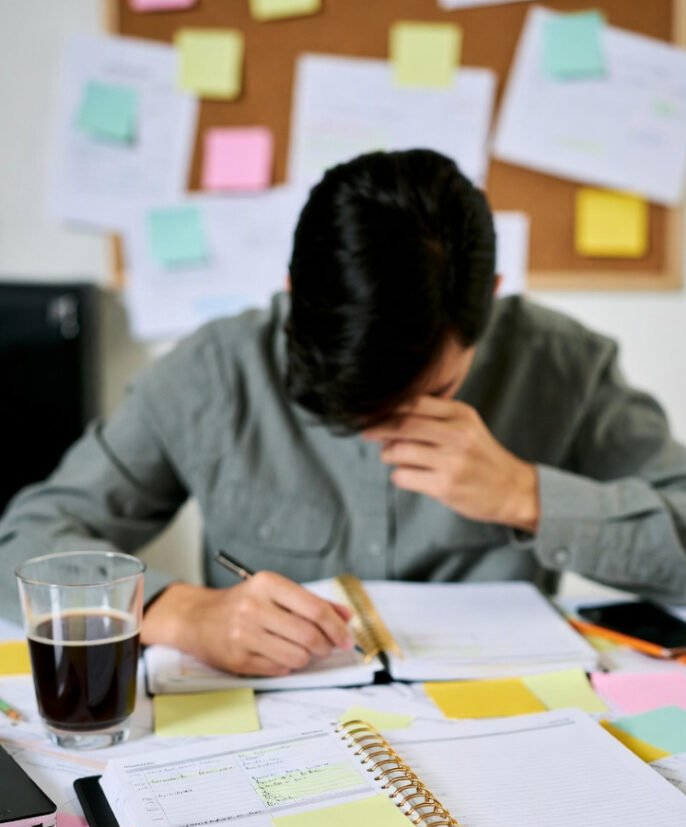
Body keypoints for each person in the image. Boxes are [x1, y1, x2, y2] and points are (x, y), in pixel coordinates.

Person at [2, 148, 686, 676]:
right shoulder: (214, 371)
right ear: (293, 292)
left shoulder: (563, 365)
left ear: (492, 299)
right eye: (344, 400)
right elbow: (22, 543)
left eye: (433, 394)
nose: (382, 428)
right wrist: (173, 610)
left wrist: (527, 496)